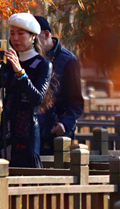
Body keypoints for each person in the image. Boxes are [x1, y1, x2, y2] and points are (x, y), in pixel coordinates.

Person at [0, 12, 53, 167]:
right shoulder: (8, 63)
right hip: (6, 131)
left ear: (33, 36)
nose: (15, 38)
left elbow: (37, 99)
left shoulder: (43, 65)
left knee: (27, 175)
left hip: (27, 132)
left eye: (20, 34)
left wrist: (20, 71)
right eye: (12, 33)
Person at [35, 15, 84, 155]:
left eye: (34, 36)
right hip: (33, 132)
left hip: (57, 133)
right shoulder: (30, 58)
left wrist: (64, 123)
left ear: (46, 35)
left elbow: (76, 102)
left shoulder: (69, 60)